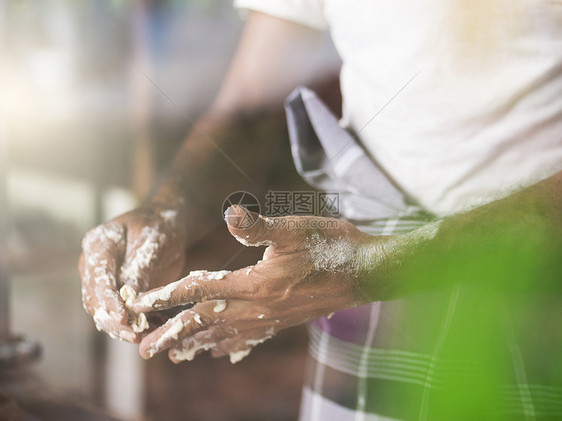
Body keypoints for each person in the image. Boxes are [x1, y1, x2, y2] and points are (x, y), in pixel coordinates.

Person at [79, 1, 562, 419]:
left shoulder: (360, 274)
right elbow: (251, 103)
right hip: (370, 299)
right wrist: (169, 208)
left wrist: (373, 268)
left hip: (539, 288)